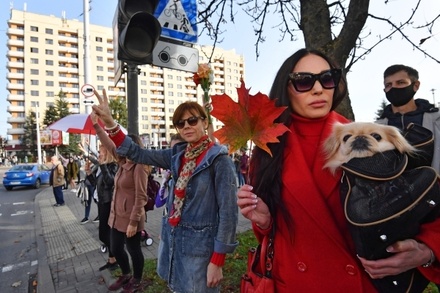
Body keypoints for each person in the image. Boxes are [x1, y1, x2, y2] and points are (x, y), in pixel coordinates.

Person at [236, 48, 440, 292]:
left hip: (361, 284)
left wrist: (426, 250)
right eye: (303, 81)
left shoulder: (368, 138)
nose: (318, 89)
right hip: (293, 282)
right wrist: (264, 221)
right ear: (286, 88)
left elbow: (423, 204)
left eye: (327, 78)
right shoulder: (267, 148)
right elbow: (274, 235)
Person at [92, 93, 239, 293]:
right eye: (180, 123)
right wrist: (110, 123)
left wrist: (218, 261)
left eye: (192, 120)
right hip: (175, 243)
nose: (186, 126)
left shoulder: (220, 161)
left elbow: (229, 215)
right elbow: (137, 153)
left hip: (200, 251)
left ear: (204, 122)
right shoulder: (177, 155)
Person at [91, 112, 149, 292]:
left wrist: (133, 222)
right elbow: (109, 144)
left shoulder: (139, 166)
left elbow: (141, 196)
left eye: (125, 146)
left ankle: (137, 279)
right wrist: (97, 126)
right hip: (116, 216)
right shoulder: (122, 161)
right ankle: (126, 274)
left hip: (131, 217)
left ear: (134, 147)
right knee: (115, 247)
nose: (121, 148)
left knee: (133, 250)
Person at [376, 64, 440, 173]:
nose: (394, 88)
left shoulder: (437, 120)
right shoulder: (377, 128)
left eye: (400, 83)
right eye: (388, 85)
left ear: (416, 85)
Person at [86, 143, 119, 272]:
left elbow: (110, 181)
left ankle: (118, 253)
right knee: (106, 234)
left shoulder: (112, 165)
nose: (99, 154)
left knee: (104, 235)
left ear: (108, 153)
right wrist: (89, 173)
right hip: (102, 202)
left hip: (109, 203)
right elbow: (97, 184)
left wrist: (103, 166)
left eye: (101, 152)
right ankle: (112, 259)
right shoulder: (103, 167)